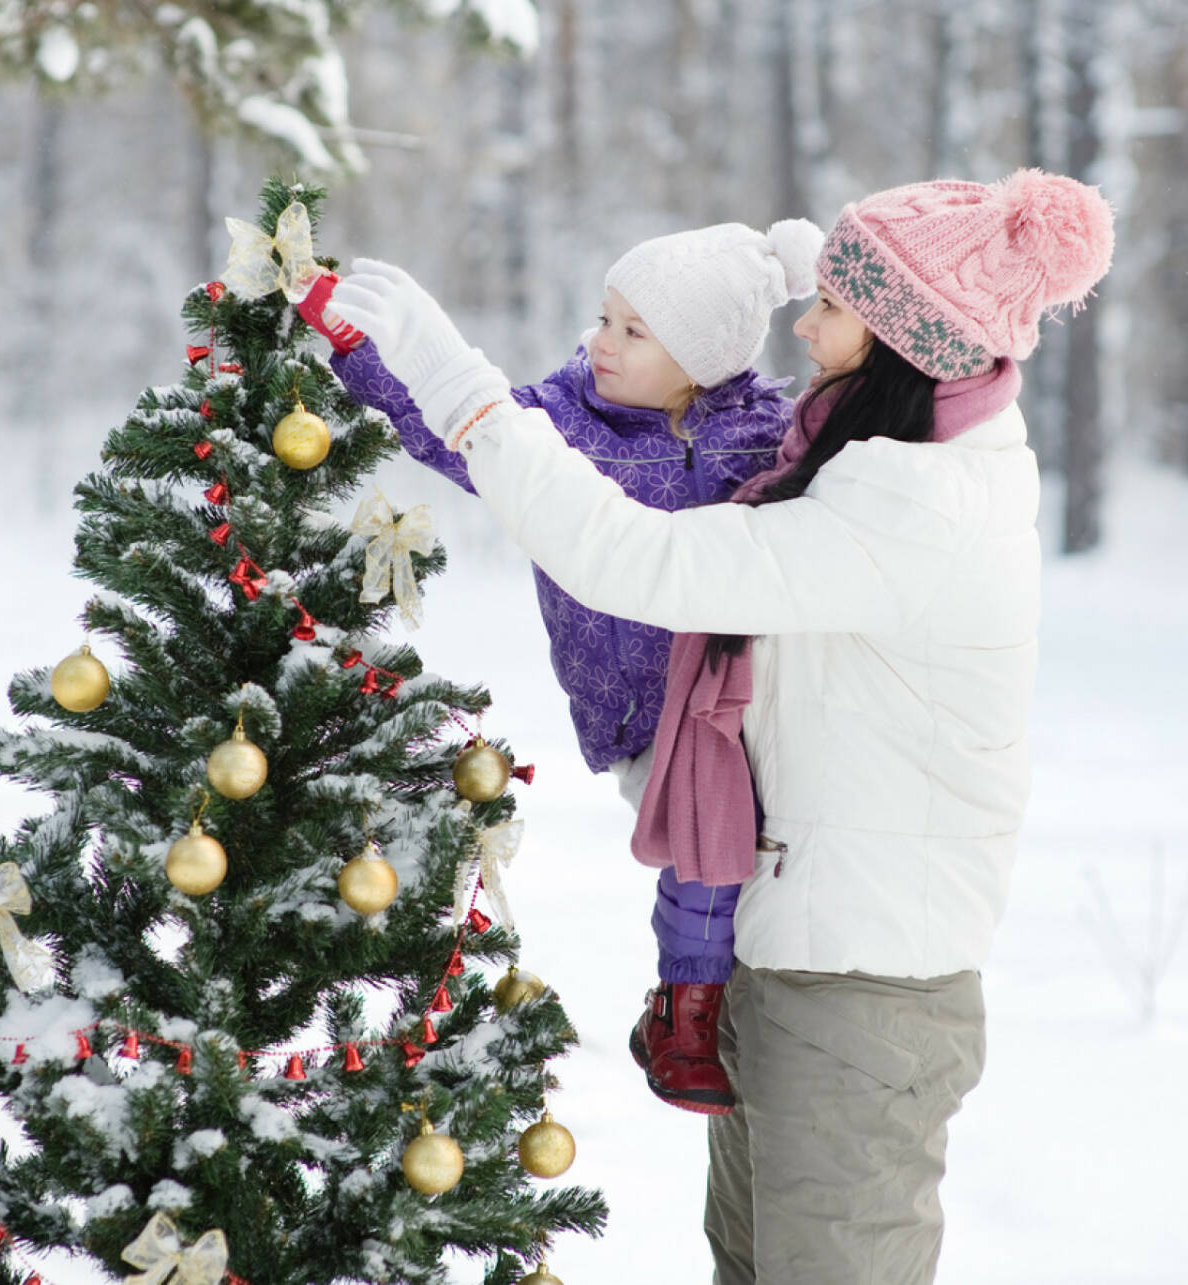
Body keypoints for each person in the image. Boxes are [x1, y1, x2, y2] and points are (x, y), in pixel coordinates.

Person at [326, 169, 1115, 1283]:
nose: (805, 322)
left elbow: (640, 560)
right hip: (796, 960)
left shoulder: (917, 507)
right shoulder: (857, 467)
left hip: (859, 996)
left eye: (834, 306)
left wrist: (462, 387)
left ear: (901, 340)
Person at [297, 219, 823, 1115]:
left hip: (744, 692)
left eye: (632, 331)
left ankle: (710, 1001)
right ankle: (687, 1007)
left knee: (758, 841)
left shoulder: (770, 434)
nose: (600, 341)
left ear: (702, 360)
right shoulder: (564, 419)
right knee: (708, 846)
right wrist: (355, 348)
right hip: (639, 704)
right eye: (604, 317)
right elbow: (455, 432)